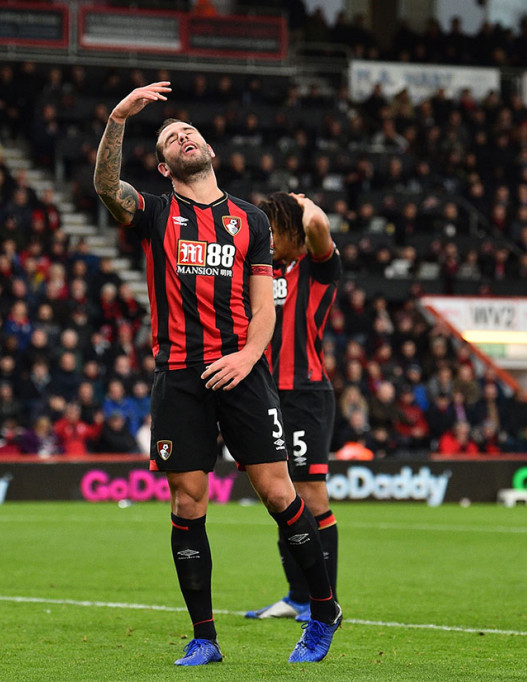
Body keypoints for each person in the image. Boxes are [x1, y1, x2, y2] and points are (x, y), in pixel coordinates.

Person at [94, 82, 341, 666]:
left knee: (280, 493)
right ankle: (204, 637)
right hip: (179, 375)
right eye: (169, 136)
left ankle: (324, 610)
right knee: (187, 502)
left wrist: (248, 357)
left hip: (242, 372)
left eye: (188, 130)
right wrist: (119, 119)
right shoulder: (156, 211)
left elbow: (264, 307)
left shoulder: (250, 219)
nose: (182, 134)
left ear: (207, 148)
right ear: (163, 164)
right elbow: (106, 187)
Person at [244, 192, 341, 624]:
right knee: (279, 496)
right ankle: (297, 595)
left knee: (311, 494)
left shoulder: (318, 267)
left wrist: (302, 204)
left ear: (291, 229)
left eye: (272, 226)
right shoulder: (260, 273)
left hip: (305, 393)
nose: (265, 234)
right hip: (268, 394)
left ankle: (323, 600)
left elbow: (319, 227)